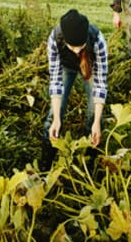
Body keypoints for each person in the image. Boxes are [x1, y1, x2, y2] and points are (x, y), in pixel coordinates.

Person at [40, 9, 109, 171]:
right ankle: (45, 167)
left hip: (89, 65)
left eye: (80, 46)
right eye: (73, 47)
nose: (77, 51)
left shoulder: (97, 41)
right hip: (66, 67)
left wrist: (97, 122)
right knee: (52, 117)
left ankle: (90, 164)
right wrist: (57, 118)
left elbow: (100, 84)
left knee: (94, 117)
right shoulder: (55, 39)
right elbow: (55, 82)